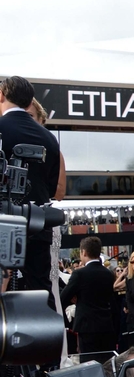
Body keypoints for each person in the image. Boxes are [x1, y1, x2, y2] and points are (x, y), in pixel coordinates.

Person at [0, 76, 63, 307]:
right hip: (37, 222)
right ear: (28, 103)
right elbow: (51, 185)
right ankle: (42, 341)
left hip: (3, 224)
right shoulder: (48, 137)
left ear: (1, 95)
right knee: (40, 292)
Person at [61, 236, 117, 354]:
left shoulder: (79, 274)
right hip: (106, 324)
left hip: (86, 327)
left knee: (89, 364)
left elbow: (63, 297)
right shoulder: (108, 274)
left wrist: (77, 299)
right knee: (106, 363)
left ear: (84, 252)